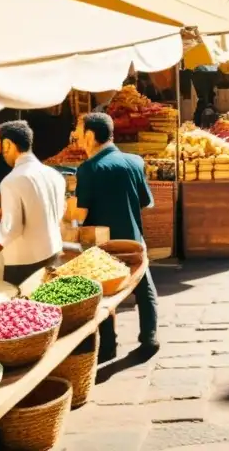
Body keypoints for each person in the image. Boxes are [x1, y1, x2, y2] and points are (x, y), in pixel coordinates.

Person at [75, 112, 158, 360]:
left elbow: (80, 214)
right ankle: (149, 337)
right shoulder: (135, 162)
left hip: (103, 247)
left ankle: (108, 345)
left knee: (104, 294)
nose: (76, 138)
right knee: (144, 287)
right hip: (133, 238)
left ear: (90, 136)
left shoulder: (88, 169)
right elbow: (145, 202)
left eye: (79, 133)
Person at [0, 120, 67, 286]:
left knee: (23, 310)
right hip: (53, 253)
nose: (2, 153)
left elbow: (12, 229)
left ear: (8, 144)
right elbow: (61, 211)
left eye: (1, 146)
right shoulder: (54, 174)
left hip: (23, 263)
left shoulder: (11, 181)